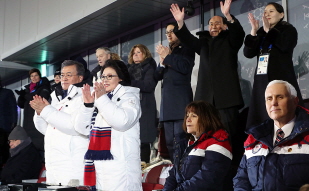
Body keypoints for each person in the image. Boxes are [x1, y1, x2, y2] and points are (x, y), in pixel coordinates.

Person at [170, 1, 244, 137]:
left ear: (224, 26)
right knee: (205, 135)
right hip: (205, 100)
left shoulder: (230, 41)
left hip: (226, 99)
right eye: (211, 24)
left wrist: (227, 15)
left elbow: (238, 34)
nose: (214, 26)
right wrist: (180, 23)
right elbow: (188, 39)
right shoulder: (203, 43)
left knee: (229, 136)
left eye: (217, 23)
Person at [75, 60, 142, 191]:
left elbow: (121, 122)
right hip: (101, 169)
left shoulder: (129, 97)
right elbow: (81, 128)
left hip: (122, 169)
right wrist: (88, 106)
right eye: (103, 76)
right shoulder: (102, 99)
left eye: (110, 76)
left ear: (121, 78)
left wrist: (101, 100)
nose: (105, 80)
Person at [234, 80, 309, 191]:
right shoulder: (254, 137)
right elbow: (241, 179)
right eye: (269, 99)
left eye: (280, 97)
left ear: (295, 101)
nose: (273, 103)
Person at [244, 2, 303, 129]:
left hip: (280, 78)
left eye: (271, 11)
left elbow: (284, 46)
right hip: (261, 80)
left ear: (281, 14)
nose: (267, 14)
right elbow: (248, 53)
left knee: (283, 115)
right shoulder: (261, 32)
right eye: (265, 12)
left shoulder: (288, 29)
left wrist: (269, 31)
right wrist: (254, 31)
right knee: (261, 117)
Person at [31, 60, 89, 186]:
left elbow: (74, 127)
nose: (64, 78)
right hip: (54, 162)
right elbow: (48, 130)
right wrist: (40, 112)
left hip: (73, 163)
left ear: (80, 77)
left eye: (69, 75)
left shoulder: (85, 97)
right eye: (62, 75)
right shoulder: (56, 97)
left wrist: (46, 110)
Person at [163, 101, 232, 191]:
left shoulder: (219, 141)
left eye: (194, 116)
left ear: (207, 119)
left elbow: (206, 179)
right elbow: (174, 174)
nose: (188, 119)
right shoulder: (185, 142)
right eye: (187, 115)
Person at [155, 22, 195, 162]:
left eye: (172, 31)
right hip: (167, 105)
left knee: (181, 142)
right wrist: (161, 62)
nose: (169, 34)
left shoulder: (187, 48)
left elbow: (185, 68)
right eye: (167, 33)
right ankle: (175, 172)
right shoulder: (167, 52)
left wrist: (168, 57)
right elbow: (156, 76)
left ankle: (183, 173)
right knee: (169, 144)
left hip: (180, 103)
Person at [128, 44, 158, 163]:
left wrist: (130, 83)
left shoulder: (150, 67)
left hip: (145, 106)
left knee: (143, 140)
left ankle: (144, 167)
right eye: (134, 53)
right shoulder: (128, 69)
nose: (135, 55)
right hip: (131, 106)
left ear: (145, 53)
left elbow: (149, 85)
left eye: (139, 52)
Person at [16, 68, 51, 153]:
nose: (34, 78)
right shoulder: (28, 89)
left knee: (40, 145)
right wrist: (21, 97)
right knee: (29, 148)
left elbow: (41, 99)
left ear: (39, 76)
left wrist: (26, 95)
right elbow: (21, 105)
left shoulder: (44, 87)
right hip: (28, 123)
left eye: (36, 75)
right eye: (32, 76)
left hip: (39, 120)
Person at [0, 76, 17, 167]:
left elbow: (13, 108)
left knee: (5, 149)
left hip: (4, 126)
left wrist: (14, 123)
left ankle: (6, 168)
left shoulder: (7, 92)